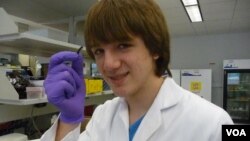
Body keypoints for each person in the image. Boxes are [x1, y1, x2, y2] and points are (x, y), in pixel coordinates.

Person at [41, 0, 233, 141]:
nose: (108, 64)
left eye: (123, 46)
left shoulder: (213, 123)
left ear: (155, 47)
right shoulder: (103, 115)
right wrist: (69, 120)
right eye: (99, 51)